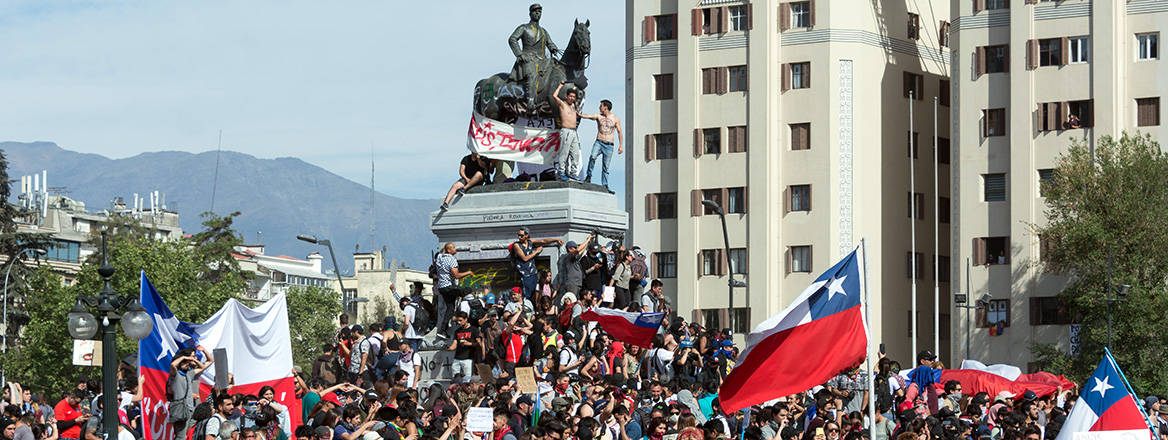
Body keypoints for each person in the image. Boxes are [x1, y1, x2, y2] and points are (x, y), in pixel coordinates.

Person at [508, 3, 560, 110]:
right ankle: (530, 101)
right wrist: (520, 54)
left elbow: (550, 43)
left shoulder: (544, 31)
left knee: (556, 69)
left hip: (542, 60)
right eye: (535, 11)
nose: (537, 13)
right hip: (528, 59)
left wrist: (553, 48)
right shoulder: (524, 28)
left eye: (539, 11)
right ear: (530, 13)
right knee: (532, 75)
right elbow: (512, 39)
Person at [167, 346, 215, 437]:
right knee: (181, 435)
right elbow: (173, 365)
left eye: (195, 356)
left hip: (191, 408)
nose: (194, 358)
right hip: (181, 408)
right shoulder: (176, 374)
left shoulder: (190, 373)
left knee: (188, 434)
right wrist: (185, 358)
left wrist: (203, 351)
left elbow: (205, 364)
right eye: (192, 356)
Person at [578, 100, 624, 188]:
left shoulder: (615, 118)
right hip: (599, 142)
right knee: (592, 157)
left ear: (605, 107)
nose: (599, 108)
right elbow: (589, 116)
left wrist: (621, 145)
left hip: (609, 145)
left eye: (601, 106)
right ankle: (589, 176)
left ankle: (605, 184)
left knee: (606, 166)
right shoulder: (599, 116)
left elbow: (619, 132)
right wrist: (580, 115)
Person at [509, 227, 563, 298]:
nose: (519, 237)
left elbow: (543, 241)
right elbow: (525, 258)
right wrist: (536, 252)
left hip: (533, 273)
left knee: (535, 294)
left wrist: (556, 239)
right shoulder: (517, 245)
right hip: (524, 274)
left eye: (521, 235)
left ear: (527, 235)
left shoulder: (530, 242)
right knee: (527, 295)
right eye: (518, 235)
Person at [435, 243, 473, 333]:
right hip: (448, 287)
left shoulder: (439, 257)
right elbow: (456, 275)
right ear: (449, 250)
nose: (456, 249)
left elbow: (441, 252)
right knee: (467, 290)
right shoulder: (451, 259)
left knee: (450, 308)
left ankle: (443, 330)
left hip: (441, 287)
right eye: (453, 247)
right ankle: (465, 313)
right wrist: (468, 273)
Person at [553, 81, 582, 181]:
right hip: (566, 131)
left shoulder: (574, 105)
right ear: (566, 96)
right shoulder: (562, 104)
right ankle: (561, 172)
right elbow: (554, 96)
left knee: (576, 153)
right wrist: (560, 85)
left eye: (573, 97)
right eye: (570, 96)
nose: (572, 98)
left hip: (574, 132)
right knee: (564, 153)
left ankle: (573, 173)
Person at [445, 311, 480, 380]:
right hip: (457, 358)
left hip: (468, 358)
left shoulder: (474, 329)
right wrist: (449, 348)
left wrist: (469, 343)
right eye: (458, 321)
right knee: (455, 379)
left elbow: (479, 343)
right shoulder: (457, 331)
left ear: (466, 319)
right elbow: (454, 345)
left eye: (460, 320)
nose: (459, 323)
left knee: (467, 380)